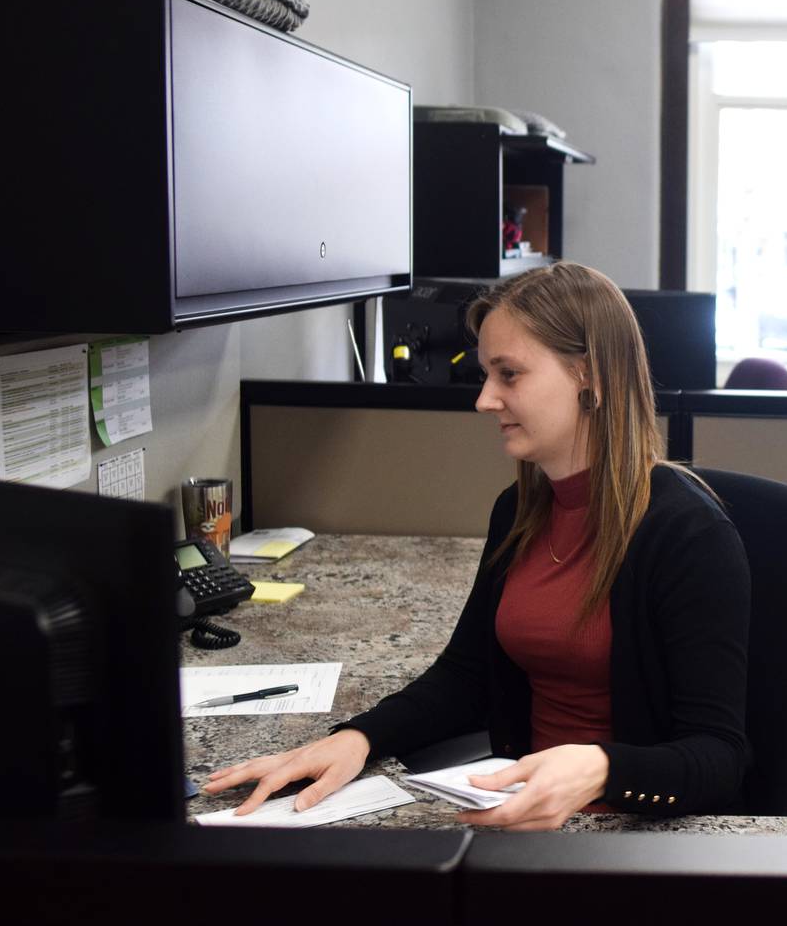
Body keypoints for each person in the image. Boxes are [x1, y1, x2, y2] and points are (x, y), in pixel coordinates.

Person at [203, 262, 752, 830]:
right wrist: (359, 738)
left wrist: (601, 768)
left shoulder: (688, 535)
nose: (484, 399)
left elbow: (718, 758)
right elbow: (466, 679)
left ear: (589, 377)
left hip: (629, 835)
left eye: (509, 375)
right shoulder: (519, 512)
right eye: (487, 375)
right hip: (517, 816)